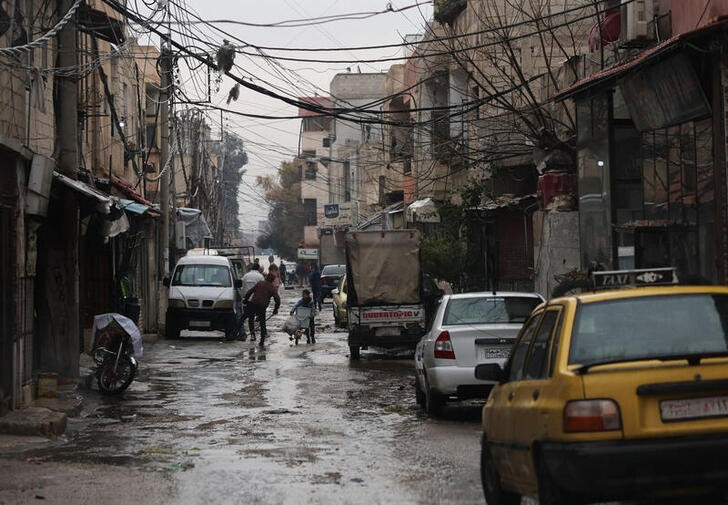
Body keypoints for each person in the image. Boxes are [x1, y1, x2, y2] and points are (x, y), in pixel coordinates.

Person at [242, 273, 280, 347]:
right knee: (262, 324)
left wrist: (245, 300)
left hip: (253, 303)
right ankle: (261, 342)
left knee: (243, 318)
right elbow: (277, 300)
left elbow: (250, 291)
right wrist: (275, 309)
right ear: (272, 280)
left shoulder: (260, 283)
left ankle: (234, 333)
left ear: (266, 278)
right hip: (262, 307)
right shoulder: (272, 287)